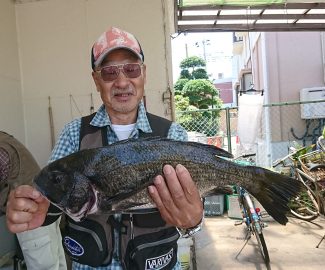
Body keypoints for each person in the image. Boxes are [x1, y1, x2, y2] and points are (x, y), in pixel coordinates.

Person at [6, 26, 203, 270]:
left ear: (144, 74)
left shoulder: (172, 134)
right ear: (96, 80)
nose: (122, 81)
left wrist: (194, 221)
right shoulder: (73, 134)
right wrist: (32, 209)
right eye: (109, 72)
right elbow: (50, 199)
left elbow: (191, 217)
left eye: (131, 69)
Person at [0, 131, 67, 270]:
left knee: (44, 266)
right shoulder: (5, 138)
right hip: (47, 208)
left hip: (32, 217)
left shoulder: (2, 150)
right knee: (56, 260)